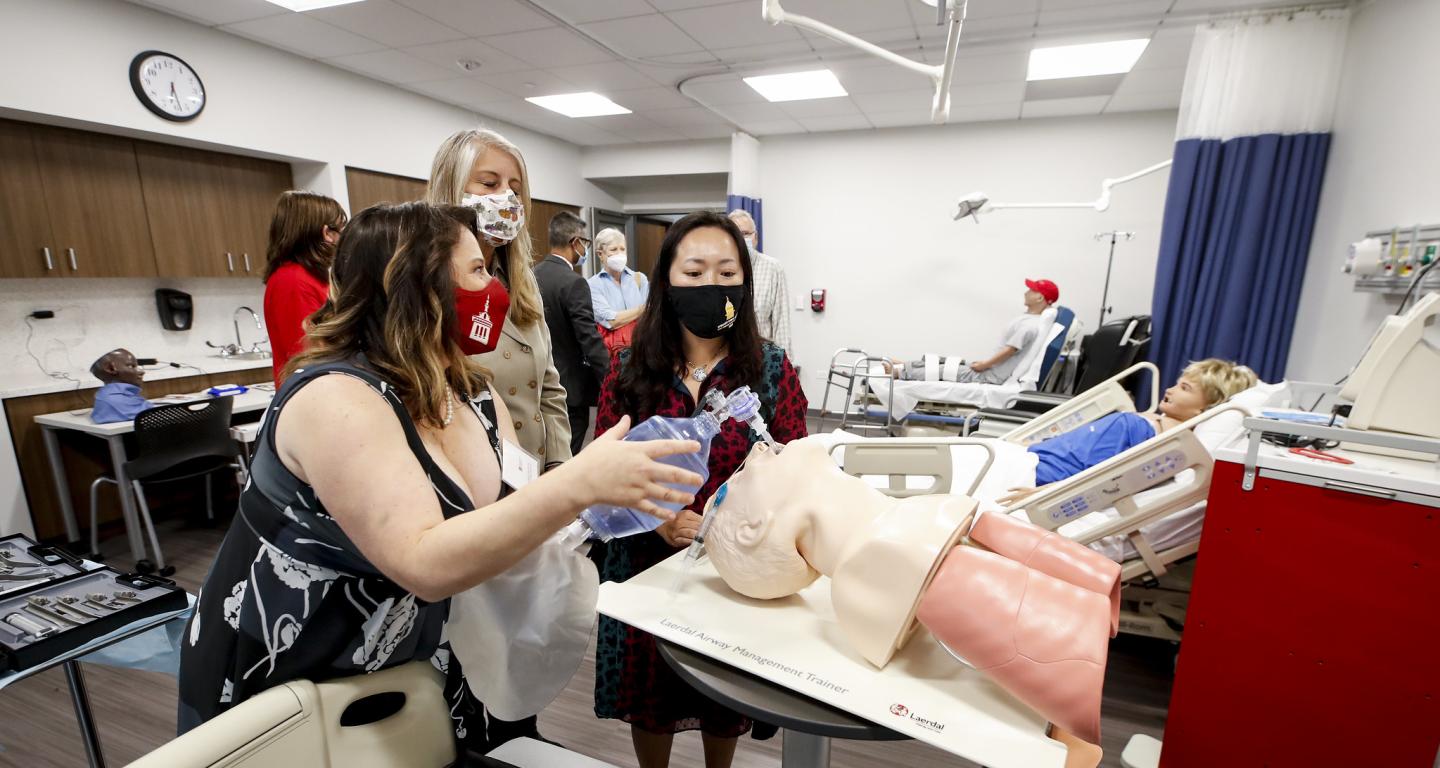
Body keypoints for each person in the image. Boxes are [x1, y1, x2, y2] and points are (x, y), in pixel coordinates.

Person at [177, 202, 703, 759]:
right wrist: (577, 483)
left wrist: (594, 508)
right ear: (416, 285)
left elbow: (510, 509)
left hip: (405, 666)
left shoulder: (467, 391)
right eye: (478, 270)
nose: (493, 287)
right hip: (291, 673)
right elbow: (423, 560)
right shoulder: (335, 398)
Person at [592, 211, 809, 768]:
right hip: (642, 561)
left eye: (726, 271)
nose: (711, 285)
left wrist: (725, 522)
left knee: (723, 692)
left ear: (745, 281)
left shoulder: (769, 372)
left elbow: (795, 472)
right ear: (666, 280)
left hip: (730, 569)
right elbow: (599, 470)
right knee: (650, 695)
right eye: (694, 271)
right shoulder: (630, 370)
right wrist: (661, 519)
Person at [426, 129, 571, 470]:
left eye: (515, 189)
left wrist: (558, 465)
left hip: (535, 471)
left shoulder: (521, 282)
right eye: (489, 184)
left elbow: (548, 386)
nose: (506, 197)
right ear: (452, 189)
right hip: (469, 475)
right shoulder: (426, 289)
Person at [1002, 358, 1258, 501]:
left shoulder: (1146, 435)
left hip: (1034, 473)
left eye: (1185, 389)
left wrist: (1042, 494)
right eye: (1178, 383)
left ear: (1204, 410)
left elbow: (1097, 477)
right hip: (1030, 458)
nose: (1170, 390)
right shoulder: (1148, 424)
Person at [534, 210, 611, 456]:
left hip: (537, 381)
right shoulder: (573, 282)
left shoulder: (531, 276)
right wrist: (611, 379)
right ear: (575, 243)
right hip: (568, 387)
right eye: (585, 243)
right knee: (568, 452)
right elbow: (588, 338)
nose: (585, 249)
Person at [887, 278, 1059, 383]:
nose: (1026, 291)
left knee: (946, 371)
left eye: (1031, 289)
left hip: (991, 375)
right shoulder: (1028, 320)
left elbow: (1010, 350)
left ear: (1039, 297)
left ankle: (899, 372)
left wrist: (984, 365)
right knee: (948, 362)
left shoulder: (1029, 326)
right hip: (991, 368)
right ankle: (906, 365)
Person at [262, 191, 347, 384]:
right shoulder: (293, 281)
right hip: (312, 391)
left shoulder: (310, 277)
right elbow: (309, 355)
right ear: (327, 233)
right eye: (342, 231)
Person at [726, 210, 792, 360]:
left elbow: (781, 321)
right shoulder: (719, 269)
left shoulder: (773, 268)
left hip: (761, 357)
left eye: (745, 233)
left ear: (755, 237)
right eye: (734, 234)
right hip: (725, 358)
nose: (740, 239)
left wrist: (783, 363)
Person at [587, 226, 649, 354]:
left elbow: (650, 317)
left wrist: (628, 315)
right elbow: (611, 321)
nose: (619, 254)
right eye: (613, 249)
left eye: (622, 249)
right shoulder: (593, 284)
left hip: (644, 349)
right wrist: (641, 309)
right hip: (614, 355)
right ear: (600, 254)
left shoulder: (639, 278)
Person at [90, 348, 153, 423]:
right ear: (110, 369)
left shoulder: (129, 396)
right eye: (132, 366)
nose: (142, 372)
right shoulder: (112, 401)